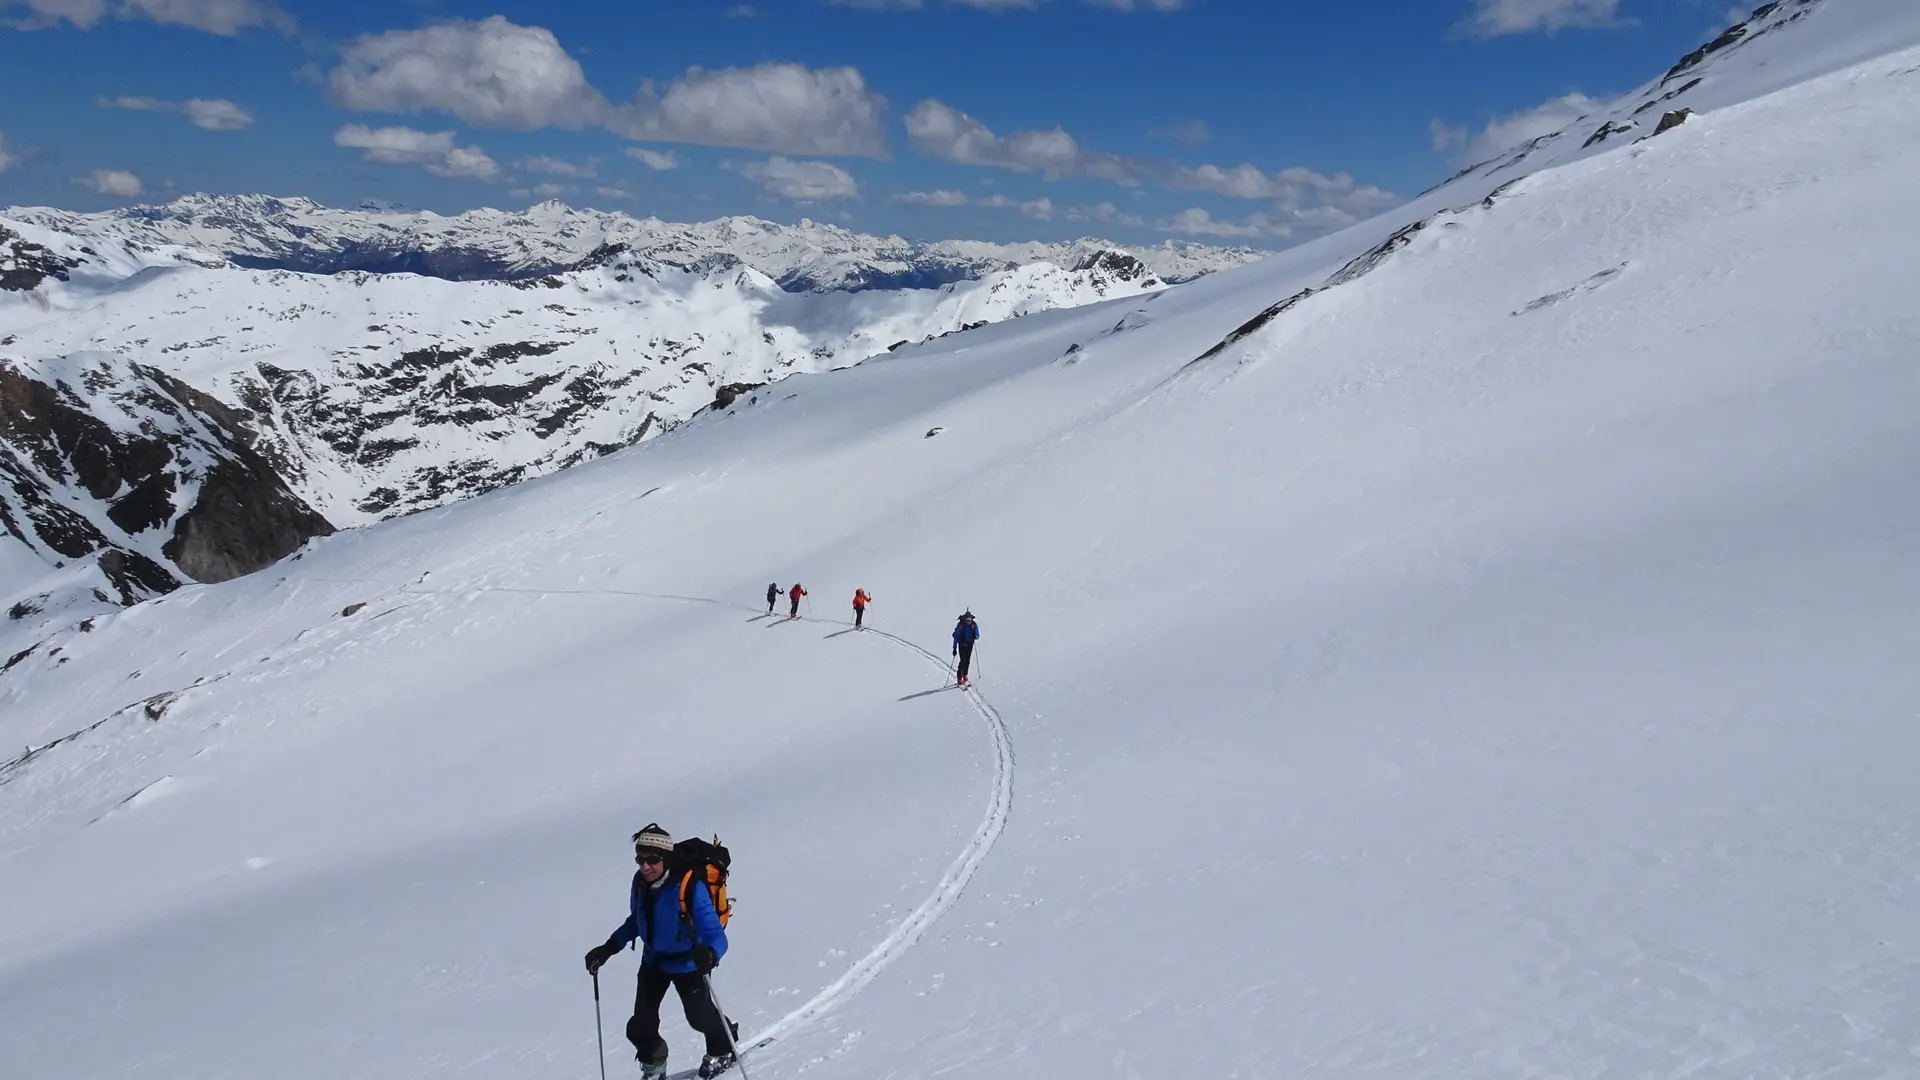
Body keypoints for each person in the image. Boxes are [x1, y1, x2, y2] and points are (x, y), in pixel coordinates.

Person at [585, 824, 737, 1080]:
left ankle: (723, 1048)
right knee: (640, 1026)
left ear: (665, 858)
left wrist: (710, 954)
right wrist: (610, 947)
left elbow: (715, 934)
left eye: (652, 860)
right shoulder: (640, 883)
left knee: (700, 1018)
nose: (645, 866)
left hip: (688, 964)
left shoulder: (688, 887)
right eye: (640, 859)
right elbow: (638, 920)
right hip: (653, 963)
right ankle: (654, 1066)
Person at [951, 610, 979, 686]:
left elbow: (977, 634)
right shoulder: (960, 625)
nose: (968, 622)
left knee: (967, 660)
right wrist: (954, 648)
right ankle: (959, 677)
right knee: (963, 661)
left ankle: (965, 674)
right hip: (962, 645)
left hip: (970, 645)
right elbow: (956, 637)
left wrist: (976, 636)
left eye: (969, 620)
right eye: (967, 620)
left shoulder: (974, 625)